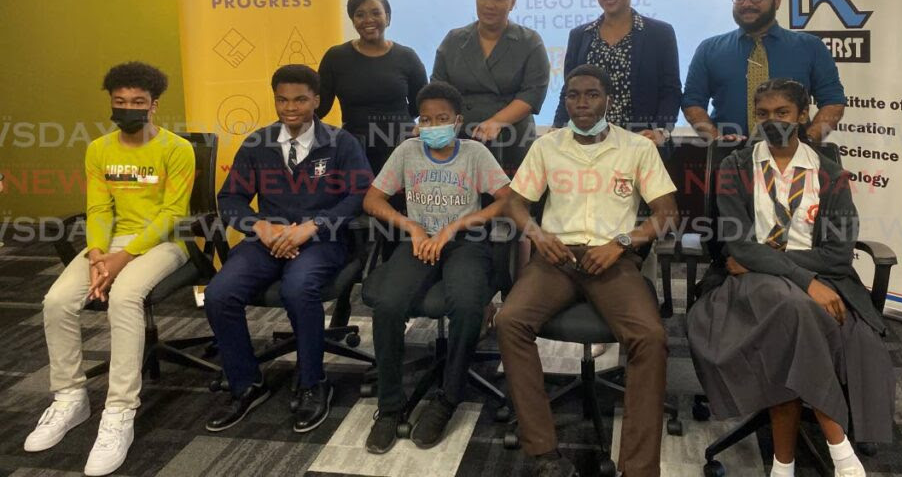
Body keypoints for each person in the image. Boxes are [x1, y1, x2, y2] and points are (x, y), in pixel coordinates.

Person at [686, 79, 894, 477]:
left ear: (803, 116)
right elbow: (738, 246)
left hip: (816, 278)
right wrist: (803, 280)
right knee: (795, 306)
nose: (771, 121)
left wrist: (777, 263)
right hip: (750, 286)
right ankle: (839, 447)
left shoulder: (830, 175)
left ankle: (783, 464)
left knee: (793, 315)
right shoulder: (735, 167)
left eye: (782, 112)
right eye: (762, 113)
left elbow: (836, 253)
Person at [496, 64, 680, 477]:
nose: (582, 103)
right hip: (556, 258)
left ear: (608, 100)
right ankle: (544, 454)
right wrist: (538, 236)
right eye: (573, 95)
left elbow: (667, 213)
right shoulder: (548, 146)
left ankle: (638, 468)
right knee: (509, 321)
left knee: (649, 337)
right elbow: (514, 203)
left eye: (592, 94)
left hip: (612, 258)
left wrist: (622, 243)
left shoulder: (637, 148)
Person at [25, 62, 195, 476]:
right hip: (109, 246)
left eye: (138, 102)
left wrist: (124, 257)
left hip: (163, 245)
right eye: (120, 102)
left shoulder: (177, 149)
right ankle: (70, 397)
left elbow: (172, 213)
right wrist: (99, 252)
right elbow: (99, 208)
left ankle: (119, 411)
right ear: (111, 104)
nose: (128, 108)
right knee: (57, 300)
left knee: (124, 296)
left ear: (154, 105)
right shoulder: (99, 149)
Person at [203, 64, 371, 434]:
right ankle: (246, 383)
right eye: (282, 99)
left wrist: (311, 227)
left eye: (300, 99)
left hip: (320, 240)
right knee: (218, 293)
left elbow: (359, 196)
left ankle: (313, 383)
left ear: (316, 100)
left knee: (299, 288)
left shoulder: (340, 143)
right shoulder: (258, 142)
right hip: (266, 238)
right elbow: (230, 198)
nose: (290, 107)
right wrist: (259, 226)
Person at [360, 81, 512, 453]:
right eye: (425, 119)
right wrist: (410, 226)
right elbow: (372, 199)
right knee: (389, 304)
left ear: (458, 121)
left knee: (465, 305)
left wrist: (457, 225)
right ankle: (391, 405)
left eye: (441, 118)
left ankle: (448, 398)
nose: (432, 126)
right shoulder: (408, 151)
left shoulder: (475, 153)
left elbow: (508, 201)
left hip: (465, 243)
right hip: (419, 242)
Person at [682, 0, 846, 142]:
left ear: (777, 0)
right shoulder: (709, 49)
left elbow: (833, 102)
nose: (746, 3)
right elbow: (692, 103)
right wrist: (717, 141)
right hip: (727, 160)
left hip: (794, 161)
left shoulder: (810, 47)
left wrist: (807, 142)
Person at [432, 0, 550, 176]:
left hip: (513, 136)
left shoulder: (529, 41)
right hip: (462, 136)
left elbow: (533, 93)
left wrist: (497, 121)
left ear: (512, 2)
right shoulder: (454, 40)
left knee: (513, 201)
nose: (489, 4)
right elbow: (438, 89)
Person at [554, 0, 681, 146]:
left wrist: (661, 130)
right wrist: (557, 129)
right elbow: (569, 90)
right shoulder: (580, 35)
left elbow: (671, 90)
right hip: (586, 145)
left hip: (641, 143)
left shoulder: (660, 34)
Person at [316, 0, 427, 174]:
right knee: (359, 200)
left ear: (388, 18)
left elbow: (422, 105)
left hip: (402, 147)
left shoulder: (407, 56)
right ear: (353, 20)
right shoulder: (336, 57)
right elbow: (321, 106)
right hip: (355, 149)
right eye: (360, 15)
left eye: (376, 13)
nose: (368, 20)